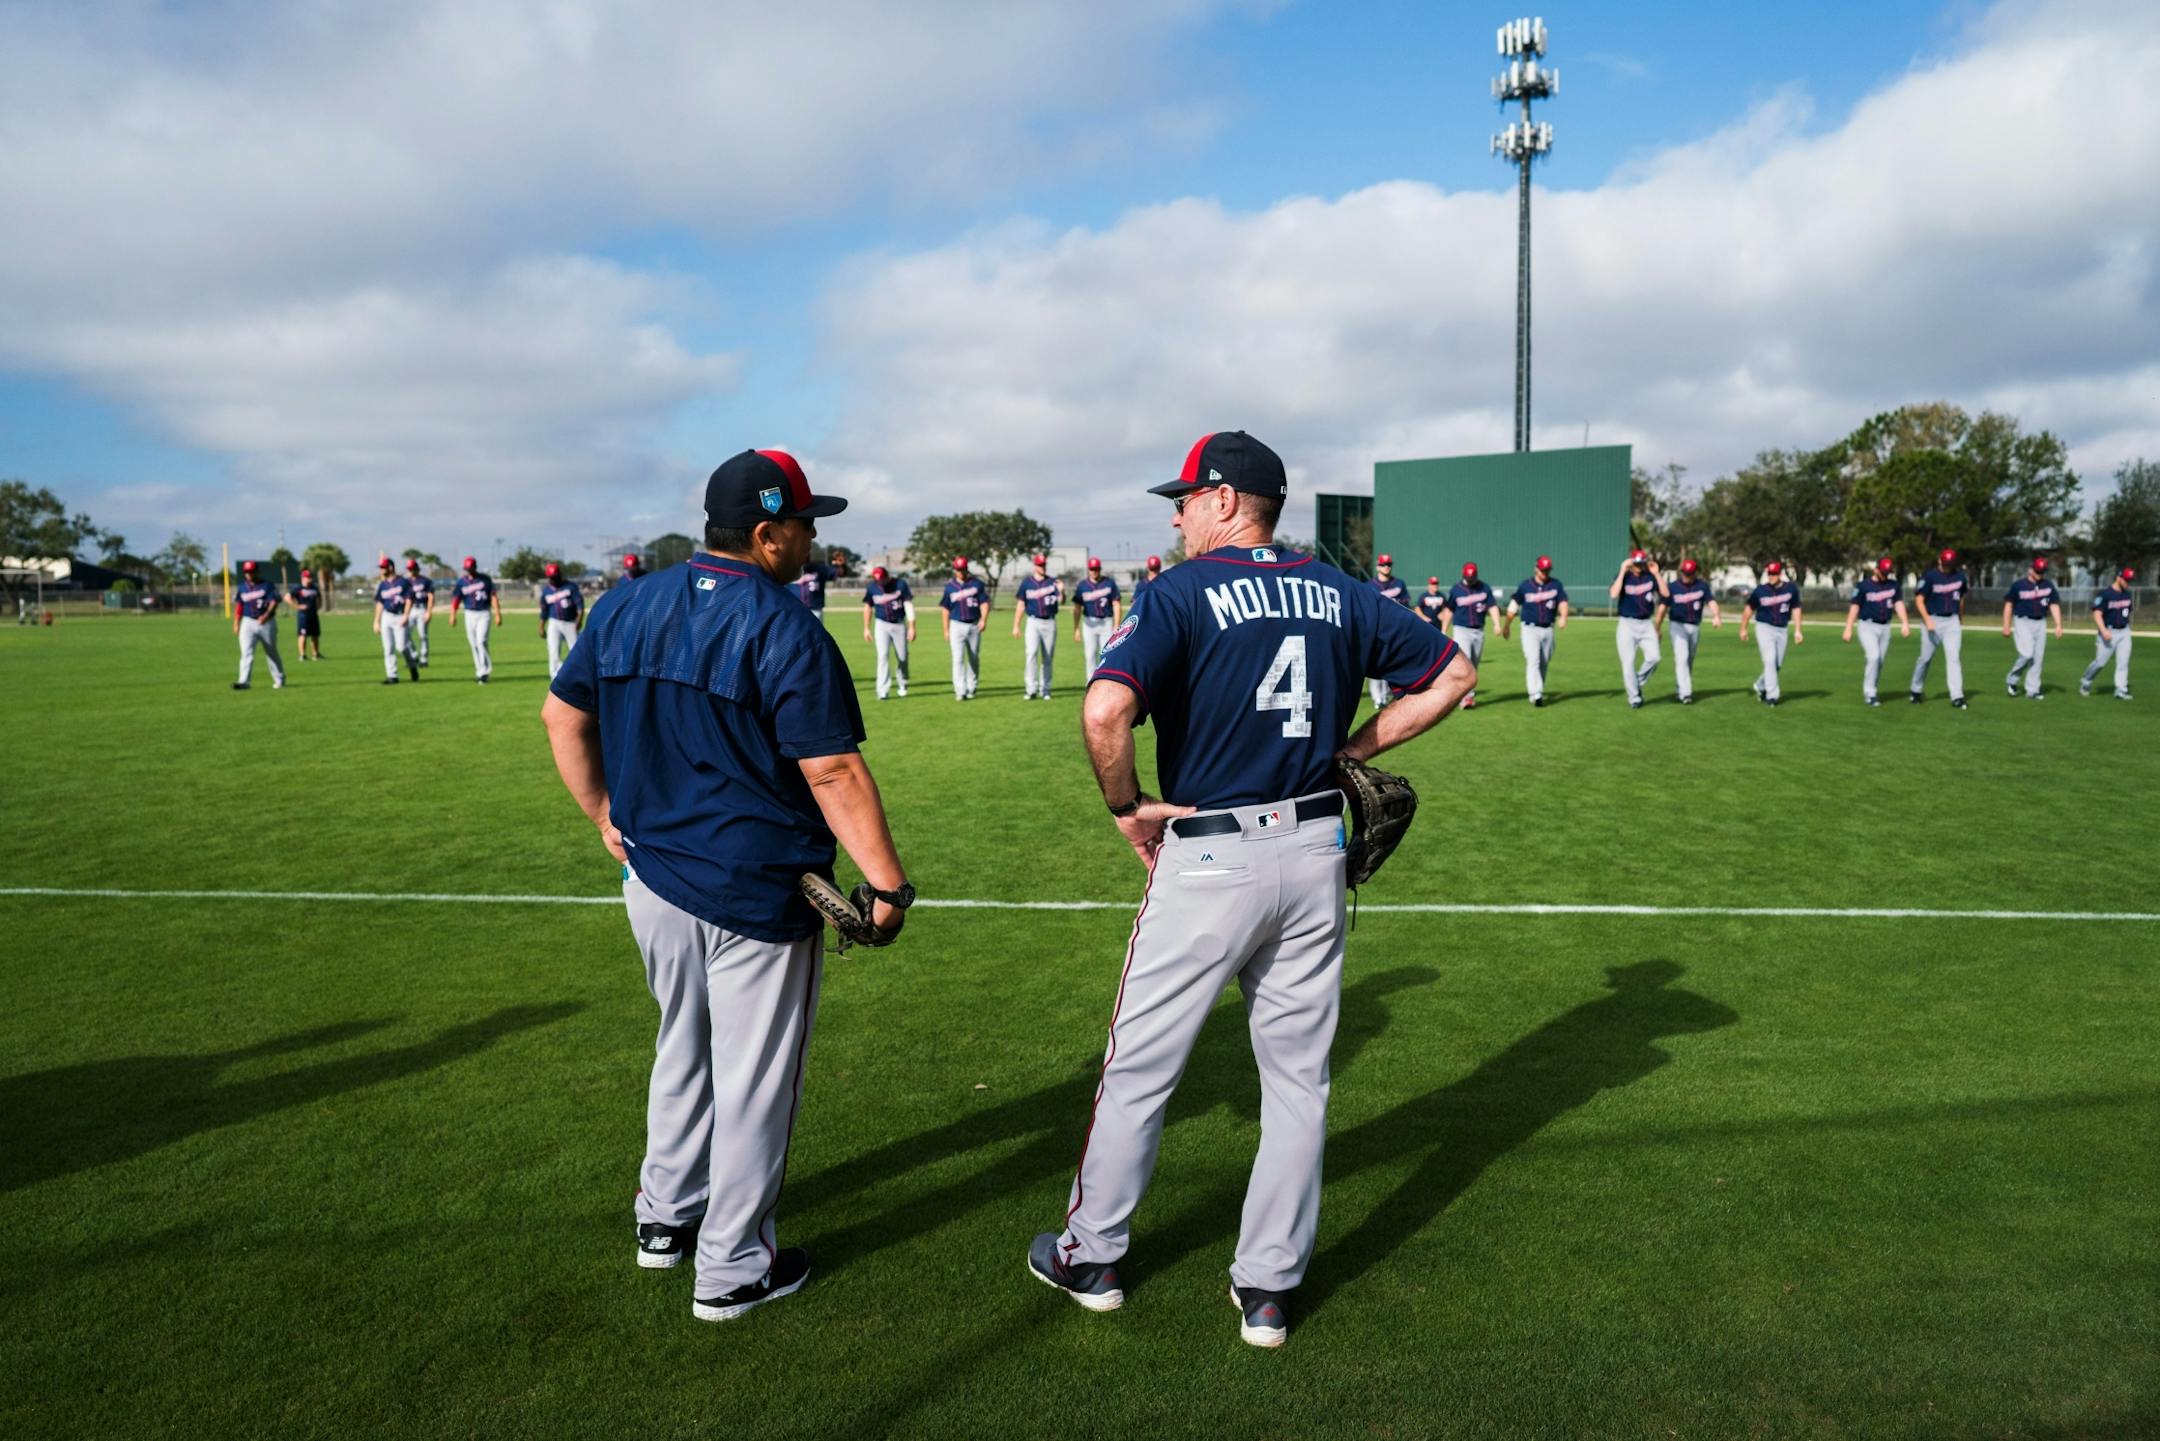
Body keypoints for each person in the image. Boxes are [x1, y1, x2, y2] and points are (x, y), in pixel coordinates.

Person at [1028, 429, 1474, 1349]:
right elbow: (1455, 672)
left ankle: (1093, 1254)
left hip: (1209, 853)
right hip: (1314, 848)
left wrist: (1126, 808)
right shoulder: (1342, 589)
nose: (1179, 515)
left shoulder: (1181, 590)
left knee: (1141, 1066)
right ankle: (1269, 1286)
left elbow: (1105, 709)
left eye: (1186, 498)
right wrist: (1352, 751)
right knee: (1299, 1080)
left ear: (1227, 499)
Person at [542, 446, 911, 1324]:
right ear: (766, 532)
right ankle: (734, 1267)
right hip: (755, 888)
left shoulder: (625, 602)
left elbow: (562, 716)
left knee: (683, 1044)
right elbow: (831, 770)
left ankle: (664, 1217)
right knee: (753, 1080)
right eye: (804, 523)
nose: (812, 538)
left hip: (653, 875)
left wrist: (602, 815)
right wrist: (888, 884)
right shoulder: (787, 625)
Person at [1840, 557, 1911, 706]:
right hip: (1867, 626)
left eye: (1887, 572)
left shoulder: (1893, 585)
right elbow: (1855, 606)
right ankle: (1870, 693)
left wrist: (1905, 623)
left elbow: (1898, 604)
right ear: (1876, 570)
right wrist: (1848, 628)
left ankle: (1872, 689)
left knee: (1879, 661)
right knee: (1873, 657)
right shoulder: (1863, 586)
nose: (1885, 575)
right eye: (1883, 572)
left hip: (1885, 627)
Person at [1500, 555, 1569, 707]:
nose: (1545, 573)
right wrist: (1506, 626)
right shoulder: (1525, 586)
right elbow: (1513, 606)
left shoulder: (1555, 585)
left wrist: (1564, 617)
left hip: (1548, 629)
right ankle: (1536, 693)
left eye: (1547, 570)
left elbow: (1563, 601)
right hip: (1529, 628)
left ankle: (1538, 691)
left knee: (1544, 661)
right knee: (1533, 660)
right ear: (1536, 569)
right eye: (1542, 570)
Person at [1909, 547, 1971, 708]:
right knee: (1925, 658)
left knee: (1953, 658)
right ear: (1939, 561)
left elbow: (1961, 597)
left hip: (1952, 621)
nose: (1947, 566)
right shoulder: (1930, 576)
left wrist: (1960, 618)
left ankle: (1957, 696)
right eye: (1945, 563)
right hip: (1932, 619)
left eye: (1950, 564)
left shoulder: (1960, 576)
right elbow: (1919, 600)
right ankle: (1915, 689)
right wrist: (1927, 619)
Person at [1608, 549, 1667, 709]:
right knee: (1628, 664)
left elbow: (1665, 593)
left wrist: (1657, 574)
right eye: (1636, 564)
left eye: (1641, 564)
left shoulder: (1650, 577)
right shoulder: (1624, 576)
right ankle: (1634, 698)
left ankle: (1637, 681)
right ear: (1631, 563)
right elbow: (1613, 594)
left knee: (1654, 657)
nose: (1639, 567)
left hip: (1646, 624)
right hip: (1627, 624)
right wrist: (1622, 570)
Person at [1740, 561, 1802, 705]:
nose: (1771, 576)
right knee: (1769, 660)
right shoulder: (1760, 590)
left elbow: (1796, 608)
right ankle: (1772, 696)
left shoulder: (1790, 589)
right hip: (1764, 627)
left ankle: (1760, 685)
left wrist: (1798, 630)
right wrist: (1743, 628)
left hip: (1782, 629)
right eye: (1769, 574)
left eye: (1774, 573)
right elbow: (1749, 609)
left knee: (1777, 664)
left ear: (1780, 574)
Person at [2002, 556, 2063, 700]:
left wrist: (2058, 625)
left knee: (2037, 658)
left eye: (2042, 571)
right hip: (2023, 621)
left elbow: (2054, 605)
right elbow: (2009, 605)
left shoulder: (2048, 585)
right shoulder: (2018, 586)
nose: (2040, 574)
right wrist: (2006, 626)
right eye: (2038, 571)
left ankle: (2033, 691)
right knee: (2027, 654)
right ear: (2030, 570)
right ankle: (2012, 680)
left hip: (2040, 622)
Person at [1440, 562, 1500, 709]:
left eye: (1473, 577)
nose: (1471, 579)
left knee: (1474, 663)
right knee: (1465, 663)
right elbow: (1449, 610)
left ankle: (1467, 693)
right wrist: (1444, 630)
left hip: (1479, 630)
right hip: (1461, 629)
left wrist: (1497, 624)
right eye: (1468, 577)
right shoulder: (1457, 589)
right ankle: (1466, 697)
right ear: (1463, 575)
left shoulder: (1484, 588)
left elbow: (1492, 606)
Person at [1662, 559, 1719, 703]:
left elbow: (1711, 601)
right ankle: (1685, 694)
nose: (1686, 576)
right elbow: (1663, 606)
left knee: (1688, 659)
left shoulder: (1702, 586)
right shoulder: (1673, 587)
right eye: (1685, 573)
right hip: (1677, 625)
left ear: (1695, 573)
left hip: (1694, 626)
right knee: (1682, 658)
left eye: (1689, 574)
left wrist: (1717, 616)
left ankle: (1680, 688)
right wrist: (1657, 625)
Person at [1363, 554, 1413, 710]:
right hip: (1376, 629)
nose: (1386, 567)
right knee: (1375, 663)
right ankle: (1378, 698)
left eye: (1389, 564)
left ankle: (1385, 695)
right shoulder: (1369, 586)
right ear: (1377, 566)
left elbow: (1406, 605)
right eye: (1383, 564)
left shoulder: (1399, 584)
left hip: (1395, 628)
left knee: (1390, 662)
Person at [1013, 554, 1064, 700]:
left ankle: (1046, 689)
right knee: (1031, 654)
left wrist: (1061, 590)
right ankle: (1031, 689)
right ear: (1035, 566)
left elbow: (1061, 601)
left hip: (1050, 622)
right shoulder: (1027, 583)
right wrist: (1016, 625)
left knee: (1047, 657)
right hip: (1033, 621)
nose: (1042, 567)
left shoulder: (1053, 582)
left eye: (1044, 564)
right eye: (1040, 565)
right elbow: (1021, 604)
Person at [230, 559, 287, 691]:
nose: (249, 574)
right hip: (247, 622)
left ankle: (279, 679)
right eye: (246, 572)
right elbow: (240, 605)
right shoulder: (242, 587)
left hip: (266, 623)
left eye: (251, 571)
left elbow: (274, 602)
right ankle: (244, 681)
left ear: (257, 571)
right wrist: (236, 622)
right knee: (246, 652)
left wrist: (266, 615)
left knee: (271, 652)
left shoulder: (267, 585)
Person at [2080, 567, 2135, 700]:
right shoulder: (2105, 594)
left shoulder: (2127, 594)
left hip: (2124, 632)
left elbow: (2127, 612)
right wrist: (2103, 630)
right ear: (2118, 578)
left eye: (2130, 580)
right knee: (2100, 663)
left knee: (2123, 662)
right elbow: (2097, 613)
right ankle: (2086, 681)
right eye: (2126, 580)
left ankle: (2121, 690)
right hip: (2108, 631)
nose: (2128, 583)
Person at [861, 565, 914, 700]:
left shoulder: (900, 584)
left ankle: (903, 683)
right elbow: (868, 606)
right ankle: (882, 690)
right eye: (877, 580)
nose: (880, 582)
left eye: (882, 579)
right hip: (881, 624)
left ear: (887, 577)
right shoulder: (872, 587)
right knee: (883, 656)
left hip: (899, 624)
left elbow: (908, 605)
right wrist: (866, 628)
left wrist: (912, 627)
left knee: (902, 657)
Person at [939, 556, 988, 700]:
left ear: (967, 569)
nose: (961, 572)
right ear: (954, 570)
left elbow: (984, 603)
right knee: (958, 659)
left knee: (973, 658)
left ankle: (972, 687)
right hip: (956, 625)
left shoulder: (977, 584)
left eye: (963, 569)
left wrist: (984, 619)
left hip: (974, 625)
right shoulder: (949, 587)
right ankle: (960, 690)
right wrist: (946, 629)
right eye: (958, 569)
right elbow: (945, 609)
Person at [451, 556, 503, 684]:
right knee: (473, 644)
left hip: (484, 613)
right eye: (467, 569)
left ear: (475, 567)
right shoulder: (461, 582)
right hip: (469, 614)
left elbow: (493, 597)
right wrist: (453, 615)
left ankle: (484, 671)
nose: (469, 570)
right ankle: (480, 671)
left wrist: (497, 614)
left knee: (481, 641)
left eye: (470, 568)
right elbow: (456, 599)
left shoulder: (485, 579)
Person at [372, 557, 422, 685]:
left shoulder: (403, 582)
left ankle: (412, 666)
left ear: (391, 567)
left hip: (400, 616)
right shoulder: (382, 585)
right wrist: (376, 621)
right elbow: (379, 603)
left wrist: (406, 615)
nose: (381, 570)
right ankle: (392, 676)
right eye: (381, 567)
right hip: (387, 616)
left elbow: (409, 599)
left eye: (383, 567)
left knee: (402, 647)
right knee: (388, 648)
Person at [1075, 558, 1124, 674]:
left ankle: (1106, 680)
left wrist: (1116, 624)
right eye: (1092, 569)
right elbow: (1077, 608)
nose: (1094, 571)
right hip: (1089, 623)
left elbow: (1116, 604)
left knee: (1107, 655)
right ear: (1088, 570)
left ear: (1100, 569)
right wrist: (1076, 628)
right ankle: (1090, 683)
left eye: (1096, 569)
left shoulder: (1109, 583)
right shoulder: (1082, 585)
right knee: (1090, 656)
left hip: (1106, 622)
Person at [540, 562, 584, 680]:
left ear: (559, 575)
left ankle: (579, 676)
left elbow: (580, 605)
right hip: (554, 622)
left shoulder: (570, 587)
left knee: (576, 651)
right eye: (551, 577)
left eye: (555, 577)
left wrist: (579, 620)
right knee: (553, 651)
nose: (553, 579)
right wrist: (541, 626)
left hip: (570, 622)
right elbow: (544, 610)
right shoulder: (546, 591)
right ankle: (556, 678)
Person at [404, 558, 436, 667]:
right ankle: (413, 655)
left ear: (417, 568)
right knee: (405, 634)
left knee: (422, 635)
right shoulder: (406, 582)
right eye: (409, 569)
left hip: (422, 609)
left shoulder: (425, 581)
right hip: (411, 610)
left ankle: (424, 659)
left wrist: (429, 611)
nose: (410, 571)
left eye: (412, 568)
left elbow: (431, 597)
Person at [291, 567, 325, 662]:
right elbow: (287, 597)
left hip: (313, 614)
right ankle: (302, 655)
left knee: (315, 635)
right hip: (303, 616)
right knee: (303, 635)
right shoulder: (298, 588)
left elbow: (319, 597)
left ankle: (316, 654)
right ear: (303, 578)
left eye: (310, 577)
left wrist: (319, 606)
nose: (309, 579)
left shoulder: (314, 588)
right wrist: (297, 606)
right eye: (307, 577)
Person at [793, 548, 840, 614]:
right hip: (795, 609)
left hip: (815, 609)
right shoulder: (789, 570)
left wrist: (840, 564)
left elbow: (839, 572)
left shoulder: (819, 569)